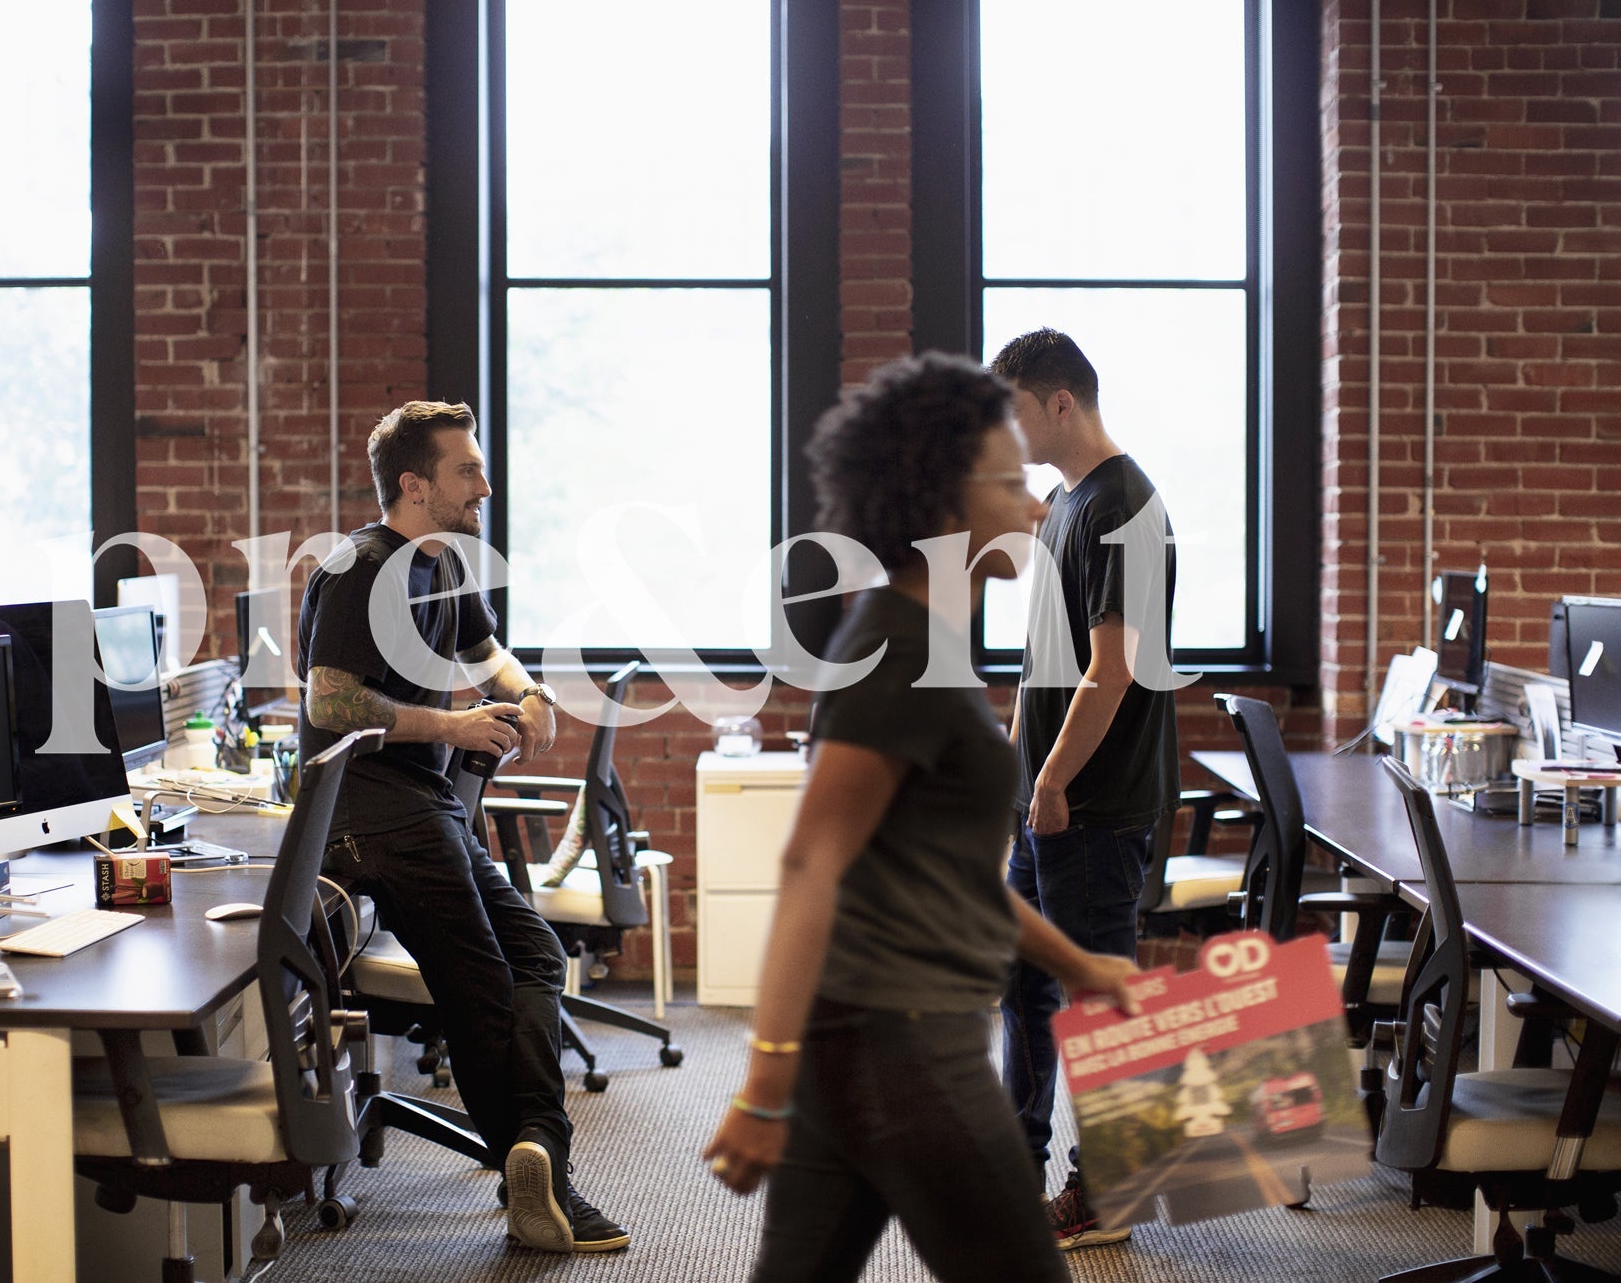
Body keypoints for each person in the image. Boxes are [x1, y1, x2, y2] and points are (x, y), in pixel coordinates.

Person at [701, 352, 1142, 1282]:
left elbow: (945, 873)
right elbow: (809, 864)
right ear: (945, 505)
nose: (1035, 507)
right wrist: (765, 1077)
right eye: (1009, 484)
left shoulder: (919, 642)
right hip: (907, 1045)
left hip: (857, 1044)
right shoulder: (897, 651)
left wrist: (1078, 965)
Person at [296, 400, 628, 1254]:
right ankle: (543, 1178)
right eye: (467, 470)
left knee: (535, 954)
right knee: (480, 987)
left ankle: (531, 1149)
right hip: (371, 814)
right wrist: (452, 724)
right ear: (414, 485)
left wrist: (529, 693)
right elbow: (329, 700)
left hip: (423, 803)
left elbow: (488, 656)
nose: (485, 485)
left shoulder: (442, 562)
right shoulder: (362, 567)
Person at [989, 327, 1180, 1250]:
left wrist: (1055, 778)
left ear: (1059, 402)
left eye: (1013, 410)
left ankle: (1108, 1192)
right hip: (1046, 800)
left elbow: (1111, 670)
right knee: (1023, 985)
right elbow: (1044, 664)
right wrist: (1017, 773)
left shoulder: (1123, 507)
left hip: (1092, 807)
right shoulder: (1065, 502)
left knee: (1098, 1007)